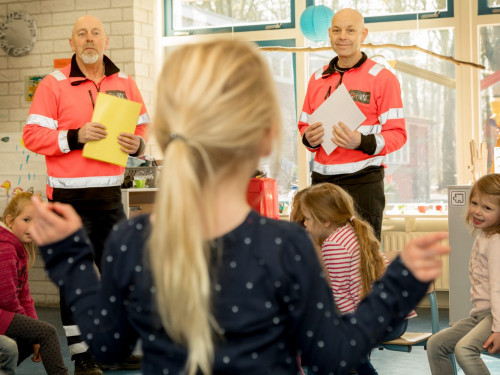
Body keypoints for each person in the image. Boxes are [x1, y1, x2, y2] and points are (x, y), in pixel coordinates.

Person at [29, 39, 448, 375]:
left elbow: (107, 344)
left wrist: (70, 259)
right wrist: (399, 286)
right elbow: (333, 354)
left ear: (165, 133)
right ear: (267, 138)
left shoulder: (134, 239)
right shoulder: (288, 244)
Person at [22, 14, 149, 374]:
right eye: (82, 34)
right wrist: (74, 136)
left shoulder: (125, 82)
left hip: (110, 199)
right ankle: (84, 357)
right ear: (72, 43)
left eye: (95, 33)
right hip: (67, 200)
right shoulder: (53, 84)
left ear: (106, 41)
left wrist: (139, 144)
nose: (89, 39)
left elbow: (142, 130)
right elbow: (32, 136)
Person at [298, 8, 406, 240]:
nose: (342, 36)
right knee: (320, 258)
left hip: (363, 183)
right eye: (336, 30)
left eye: (350, 30)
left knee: (363, 261)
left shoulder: (383, 78)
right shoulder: (316, 78)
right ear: (329, 33)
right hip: (321, 183)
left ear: (363, 35)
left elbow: (398, 134)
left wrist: (361, 141)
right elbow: (303, 126)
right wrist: (309, 138)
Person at [299, 182, 414, 375]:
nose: (304, 223)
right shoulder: (354, 233)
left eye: (308, 219)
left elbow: (340, 296)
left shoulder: (334, 245)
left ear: (326, 221)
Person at [427, 173, 500, 375]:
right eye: (475, 203)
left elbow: (498, 289)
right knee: (436, 344)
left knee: (465, 350)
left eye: (487, 208)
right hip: (481, 315)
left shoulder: (496, 243)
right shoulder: (484, 236)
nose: (477, 211)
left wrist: (498, 329)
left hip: (495, 316)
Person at [0, 193, 68, 375]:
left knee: (36, 338)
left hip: (3, 315)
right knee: (47, 333)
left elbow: (24, 296)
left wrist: (33, 329)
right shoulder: (5, 247)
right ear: (10, 220)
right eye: (26, 219)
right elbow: (6, 297)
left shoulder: (18, 248)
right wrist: (33, 330)